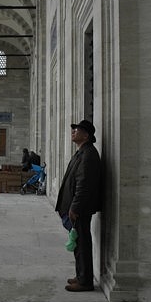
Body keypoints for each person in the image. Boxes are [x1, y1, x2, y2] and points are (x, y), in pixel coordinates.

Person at [55, 119, 102, 292]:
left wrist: (75, 207)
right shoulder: (82, 152)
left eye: (78, 129)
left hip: (80, 209)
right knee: (78, 242)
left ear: (86, 135)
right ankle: (81, 275)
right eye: (73, 129)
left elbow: (84, 184)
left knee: (82, 244)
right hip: (76, 207)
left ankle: (85, 281)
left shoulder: (88, 154)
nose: (73, 131)